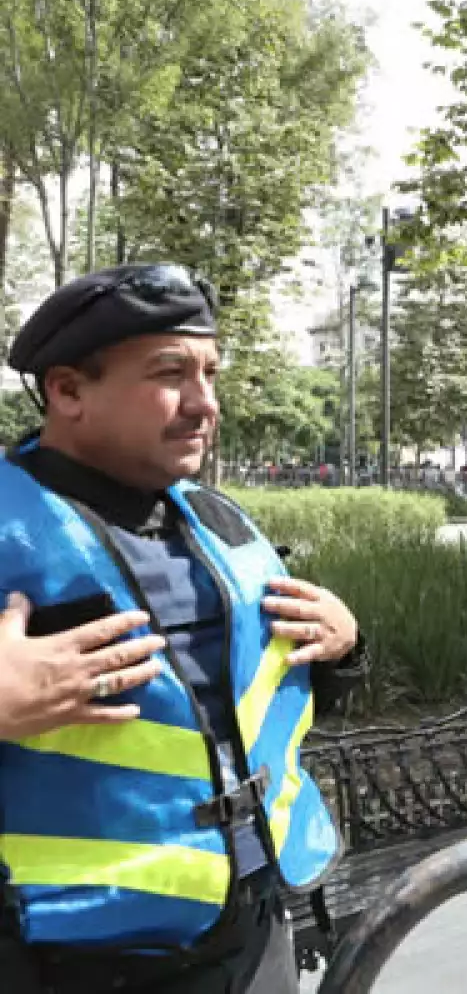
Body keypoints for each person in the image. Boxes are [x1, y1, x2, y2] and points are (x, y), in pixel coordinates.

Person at [0, 264, 366, 994]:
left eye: (210, 373)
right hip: (69, 960)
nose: (205, 404)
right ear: (68, 391)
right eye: (170, 374)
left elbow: (240, 708)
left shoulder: (218, 518)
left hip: (256, 925)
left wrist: (346, 648)